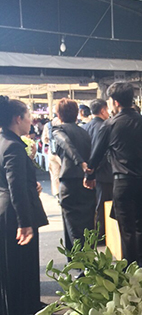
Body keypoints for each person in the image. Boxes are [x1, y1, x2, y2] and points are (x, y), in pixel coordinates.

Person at [85, 82, 142, 268]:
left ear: (115, 101)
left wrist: (90, 176)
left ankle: (131, 269)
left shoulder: (110, 125)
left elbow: (96, 155)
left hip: (123, 182)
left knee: (127, 229)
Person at [0, 96, 48, 315]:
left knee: (13, 265)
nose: (31, 120)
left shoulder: (4, 141)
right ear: (18, 119)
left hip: (6, 210)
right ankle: (19, 311)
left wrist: (32, 184)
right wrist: (25, 223)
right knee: (20, 265)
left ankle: (24, 307)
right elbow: (15, 187)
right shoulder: (14, 146)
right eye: (28, 116)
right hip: (15, 213)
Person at [53, 99, 96, 250]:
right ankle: (88, 257)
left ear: (59, 114)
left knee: (72, 225)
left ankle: (78, 259)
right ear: (77, 113)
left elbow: (65, 143)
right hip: (86, 181)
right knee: (87, 224)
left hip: (69, 182)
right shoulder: (84, 132)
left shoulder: (58, 129)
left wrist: (79, 162)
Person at [82, 99, 112, 239]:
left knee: (92, 206)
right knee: (103, 206)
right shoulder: (105, 127)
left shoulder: (84, 127)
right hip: (104, 174)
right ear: (102, 110)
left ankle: (93, 233)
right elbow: (103, 153)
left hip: (87, 173)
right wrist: (94, 170)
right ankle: (102, 235)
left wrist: (88, 172)